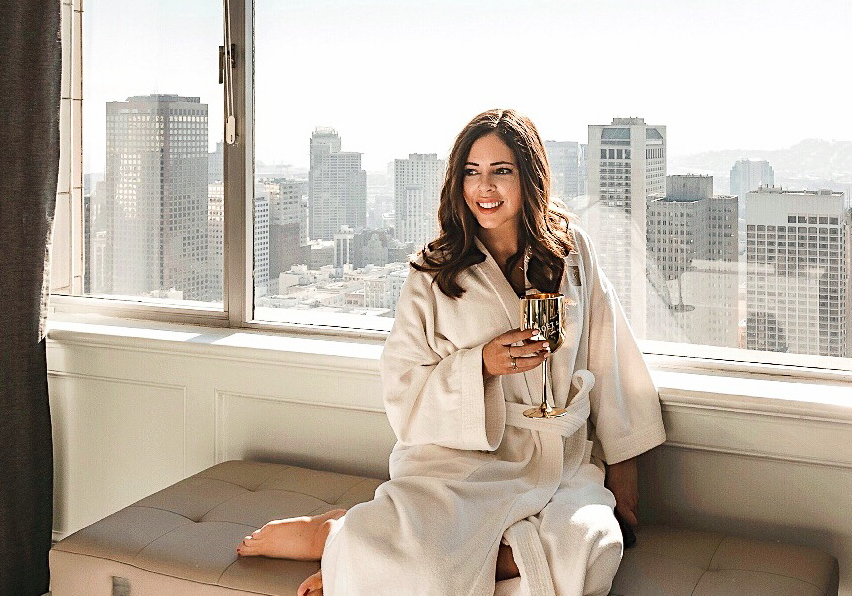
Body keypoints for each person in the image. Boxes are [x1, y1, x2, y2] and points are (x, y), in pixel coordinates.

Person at [236, 108, 666, 596]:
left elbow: (610, 360)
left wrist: (623, 482)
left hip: (561, 463)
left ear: (529, 176)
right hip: (466, 465)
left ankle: (380, 553)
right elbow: (402, 387)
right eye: (472, 172)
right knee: (440, 568)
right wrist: (480, 365)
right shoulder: (435, 271)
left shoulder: (571, 252)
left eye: (501, 171)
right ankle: (337, 537)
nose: (486, 188)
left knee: (589, 552)